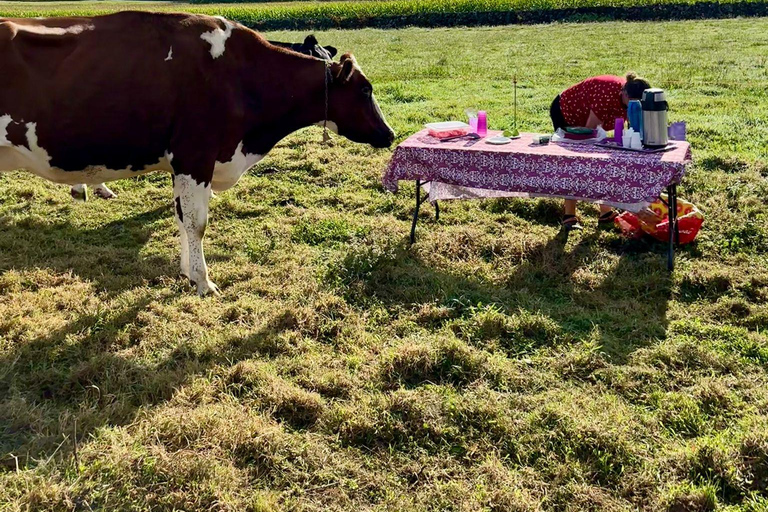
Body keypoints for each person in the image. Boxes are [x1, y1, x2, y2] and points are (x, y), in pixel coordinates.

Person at [550, 72, 651, 231]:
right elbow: (589, 133)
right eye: (632, 104)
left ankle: (606, 212)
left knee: (605, 162)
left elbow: (630, 126)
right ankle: (569, 216)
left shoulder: (631, 96)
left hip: (590, 120)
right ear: (624, 93)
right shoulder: (606, 94)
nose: (634, 108)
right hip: (567, 112)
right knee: (574, 163)